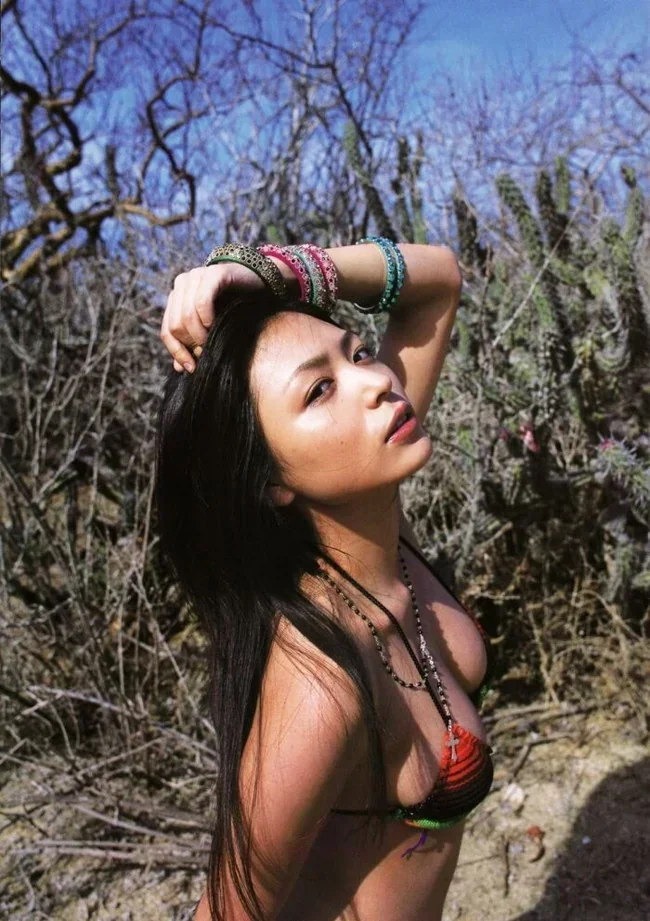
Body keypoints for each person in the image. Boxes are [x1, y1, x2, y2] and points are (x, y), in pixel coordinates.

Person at [155, 239, 493, 921]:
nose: (376, 382)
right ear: (270, 481)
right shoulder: (321, 684)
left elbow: (437, 282)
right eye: (318, 390)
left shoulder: (376, 527)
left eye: (358, 353)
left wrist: (269, 270)